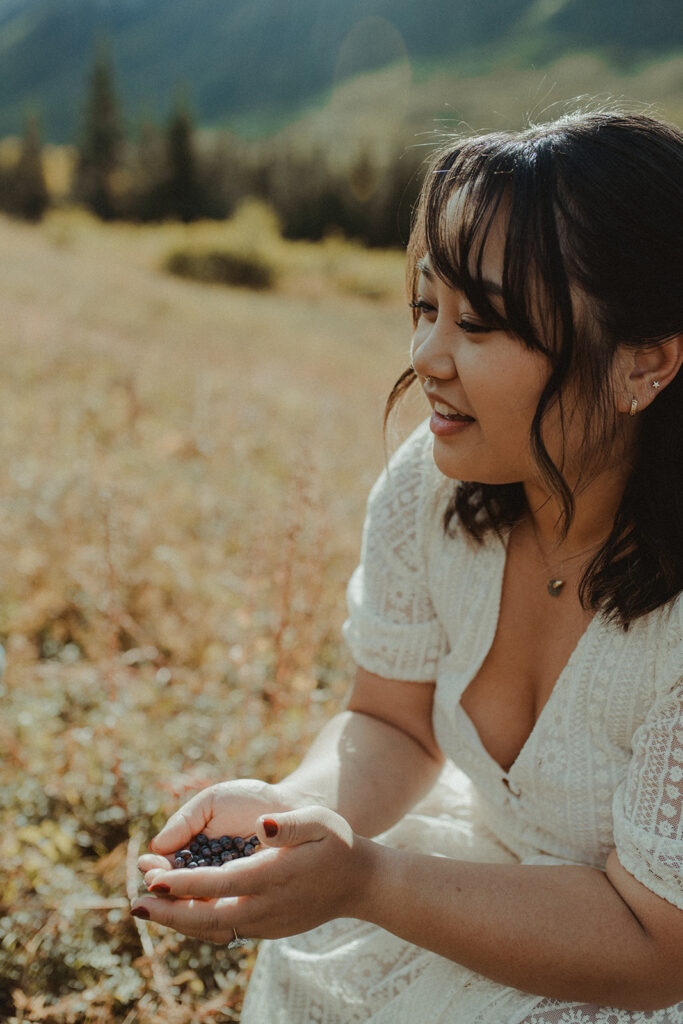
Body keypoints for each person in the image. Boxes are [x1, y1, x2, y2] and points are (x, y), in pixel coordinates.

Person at [132, 109, 683, 1023]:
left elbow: (655, 949)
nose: (426, 357)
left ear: (646, 362)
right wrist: (290, 817)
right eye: (427, 307)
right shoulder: (430, 491)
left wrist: (370, 881)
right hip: (483, 876)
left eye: (482, 322)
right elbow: (392, 720)